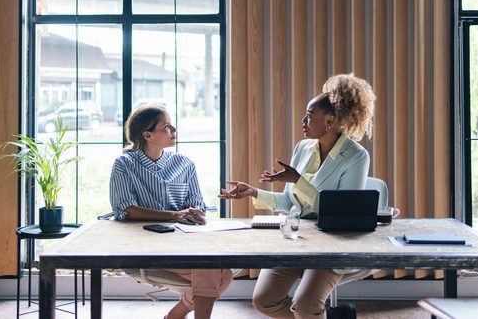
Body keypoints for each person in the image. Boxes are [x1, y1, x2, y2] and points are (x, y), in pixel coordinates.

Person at [219, 73, 375, 319]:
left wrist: (298, 181)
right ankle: (330, 316)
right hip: (297, 238)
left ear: (330, 120)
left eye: (310, 115)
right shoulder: (303, 148)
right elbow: (290, 203)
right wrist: (254, 192)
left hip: (332, 245)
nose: (303, 120)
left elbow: (341, 211)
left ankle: (317, 314)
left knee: (305, 306)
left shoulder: (356, 156)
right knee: (264, 301)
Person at [110, 105, 233, 319]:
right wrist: (174, 215)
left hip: (185, 243)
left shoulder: (184, 163)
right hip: (145, 248)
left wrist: (195, 213)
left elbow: (197, 204)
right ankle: (176, 316)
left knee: (221, 273)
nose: (174, 129)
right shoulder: (124, 164)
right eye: (166, 127)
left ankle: (174, 317)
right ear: (147, 135)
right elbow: (126, 210)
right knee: (215, 271)